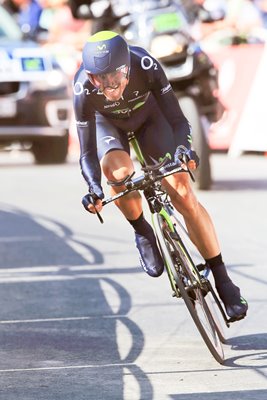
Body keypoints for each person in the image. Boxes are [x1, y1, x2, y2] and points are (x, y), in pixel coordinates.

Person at [73, 30, 248, 321]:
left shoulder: (145, 65)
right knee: (117, 173)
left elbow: (178, 119)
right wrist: (94, 188)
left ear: (126, 67)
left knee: (182, 193)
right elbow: (87, 152)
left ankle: (224, 280)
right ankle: (142, 230)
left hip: (149, 118)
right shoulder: (82, 89)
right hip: (109, 126)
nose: (107, 86)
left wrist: (184, 150)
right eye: (98, 79)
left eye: (113, 77)